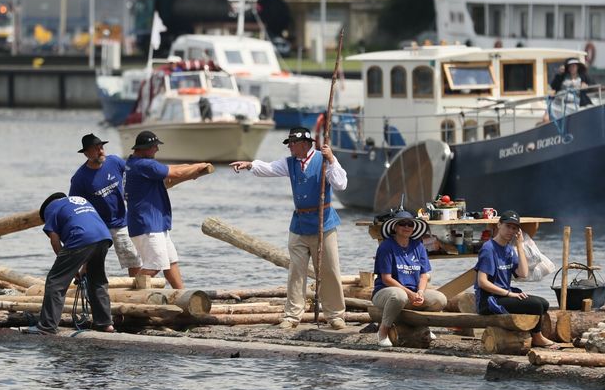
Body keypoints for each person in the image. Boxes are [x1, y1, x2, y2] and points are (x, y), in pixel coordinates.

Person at [230, 126, 349, 330]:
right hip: (299, 224)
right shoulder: (290, 162)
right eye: (289, 144)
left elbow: (340, 184)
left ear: (304, 144)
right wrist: (250, 165)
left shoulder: (323, 160)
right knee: (296, 271)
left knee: (329, 270)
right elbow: (269, 168)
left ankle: (335, 315)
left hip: (324, 223)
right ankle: (293, 315)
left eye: (293, 143)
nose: (290, 147)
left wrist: (332, 159)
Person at [124, 130, 213, 289]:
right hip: (147, 225)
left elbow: (170, 170)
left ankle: (182, 295)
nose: (157, 149)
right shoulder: (144, 165)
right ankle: (130, 293)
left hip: (155, 224)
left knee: (171, 262)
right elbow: (175, 173)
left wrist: (191, 168)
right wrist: (198, 166)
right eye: (155, 147)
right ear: (145, 148)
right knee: (154, 265)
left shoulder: (135, 163)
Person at [24, 192, 114, 335]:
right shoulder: (79, 200)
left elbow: (55, 241)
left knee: (55, 282)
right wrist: (81, 268)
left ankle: (47, 327)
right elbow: (90, 232)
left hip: (81, 238)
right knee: (97, 280)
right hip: (103, 237)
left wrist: (68, 268)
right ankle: (105, 324)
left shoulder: (51, 209)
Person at [474, 210, 554, 348]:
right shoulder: (489, 248)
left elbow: (523, 273)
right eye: (508, 226)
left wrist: (519, 245)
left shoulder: (509, 249)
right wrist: (509, 294)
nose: (510, 231)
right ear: (499, 225)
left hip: (504, 296)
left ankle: (527, 331)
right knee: (535, 305)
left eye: (514, 228)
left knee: (544, 303)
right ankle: (537, 337)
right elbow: (482, 282)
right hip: (489, 301)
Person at [69, 133, 141, 277]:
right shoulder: (79, 178)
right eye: (96, 149)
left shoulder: (114, 161)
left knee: (134, 259)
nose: (101, 151)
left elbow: (134, 174)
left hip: (121, 222)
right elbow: (74, 206)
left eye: (101, 147)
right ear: (86, 154)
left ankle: (137, 287)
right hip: (97, 226)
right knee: (92, 262)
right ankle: (84, 283)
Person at [371, 210, 447, 347]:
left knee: (440, 299)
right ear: (395, 227)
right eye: (402, 224)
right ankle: (383, 331)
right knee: (399, 295)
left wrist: (420, 292)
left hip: (412, 293)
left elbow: (424, 275)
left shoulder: (418, 246)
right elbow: (386, 279)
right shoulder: (386, 246)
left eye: (410, 224)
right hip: (386, 292)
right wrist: (410, 294)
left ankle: (421, 326)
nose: (406, 227)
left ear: (414, 228)